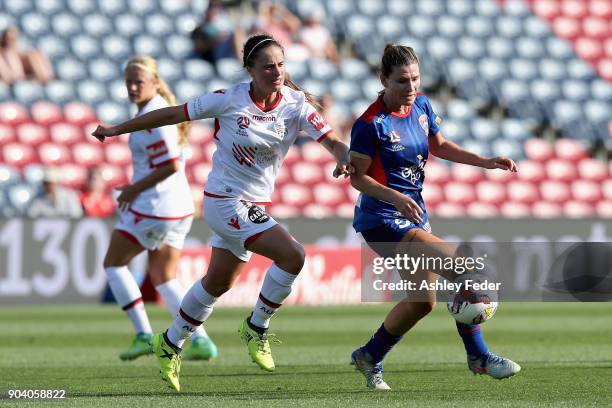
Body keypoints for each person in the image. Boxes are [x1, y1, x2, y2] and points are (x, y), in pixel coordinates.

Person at [92, 34, 353, 392]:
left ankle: (169, 344)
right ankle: (257, 327)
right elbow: (172, 113)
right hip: (224, 201)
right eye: (267, 67)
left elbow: (331, 139)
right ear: (250, 70)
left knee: (217, 283)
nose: (276, 72)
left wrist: (341, 154)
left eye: (281, 65)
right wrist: (118, 128)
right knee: (293, 255)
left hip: (255, 205)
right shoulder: (229, 99)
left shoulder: (295, 104)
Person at [348, 44, 521, 390]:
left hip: (413, 214)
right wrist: (396, 198)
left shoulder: (422, 105)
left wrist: (485, 161)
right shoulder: (370, 124)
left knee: (421, 304)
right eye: (401, 81)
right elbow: (358, 177)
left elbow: (439, 145)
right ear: (383, 80)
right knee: (465, 270)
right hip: (383, 218)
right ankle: (479, 357)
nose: (410, 88)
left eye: (415, 79)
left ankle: (369, 356)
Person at [94, 56, 218, 363]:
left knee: (113, 263)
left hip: (156, 206)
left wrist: (134, 189)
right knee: (164, 278)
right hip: (177, 208)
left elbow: (171, 165)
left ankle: (143, 335)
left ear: (154, 82)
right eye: (128, 82)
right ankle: (201, 341)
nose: (133, 87)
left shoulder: (155, 115)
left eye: (139, 82)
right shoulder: (155, 109)